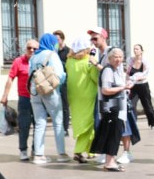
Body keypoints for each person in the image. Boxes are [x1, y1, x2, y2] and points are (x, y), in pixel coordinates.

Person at [28, 33, 67, 164]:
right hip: (50, 91)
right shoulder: (52, 54)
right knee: (58, 122)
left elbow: (30, 74)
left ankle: (38, 155)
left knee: (39, 123)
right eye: (54, 42)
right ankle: (61, 153)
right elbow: (60, 75)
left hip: (35, 90)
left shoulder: (34, 57)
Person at [90, 47, 132, 171]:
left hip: (116, 106)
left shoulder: (116, 70)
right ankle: (109, 162)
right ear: (110, 58)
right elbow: (105, 90)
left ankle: (111, 160)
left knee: (115, 133)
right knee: (112, 134)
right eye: (115, 57)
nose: (118, 59)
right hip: (111, 107)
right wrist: (123, 88)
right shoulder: (108, 70)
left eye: (120, 57)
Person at [0, 39, 38, 161]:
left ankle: (36, 150)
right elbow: (10, 78)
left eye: (34, 48)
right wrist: (5, 96)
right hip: (24, 99)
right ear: (25, 49)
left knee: (38, 126)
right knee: (24, 125)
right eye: (29, 48)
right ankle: (23, 150)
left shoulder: (39, 61)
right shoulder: (18, 61)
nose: (32, 50)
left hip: (39, 99)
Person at [65, 34, 98, 163]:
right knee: (88, 124)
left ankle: (91, 150)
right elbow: (95, 78)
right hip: (88, 95)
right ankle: (78, 152)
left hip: (73, 95)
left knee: (81, 122)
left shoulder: (69, 61)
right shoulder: (88, 62)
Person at [128, 43, 154, 129]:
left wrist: (136, 78)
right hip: (133, 86)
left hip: (143, 86)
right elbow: (128, 72)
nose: (135, 50)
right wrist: (127, 80)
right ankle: (133, 123)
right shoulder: (130, 60)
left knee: (147, 106)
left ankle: (153, 123)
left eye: (137, 49)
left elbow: (144, 75)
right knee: (131, 105)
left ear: (141, 51)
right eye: (134, 49)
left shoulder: (145, 61)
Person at [53, 30, 70, 132]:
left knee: (64, 105)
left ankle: (65, 128)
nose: (55, 41)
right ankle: (57, 126)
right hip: (54, 80)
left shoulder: (68, 51)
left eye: (57, 39)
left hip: (64, 81)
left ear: (62, 39)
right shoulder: (53, 52)